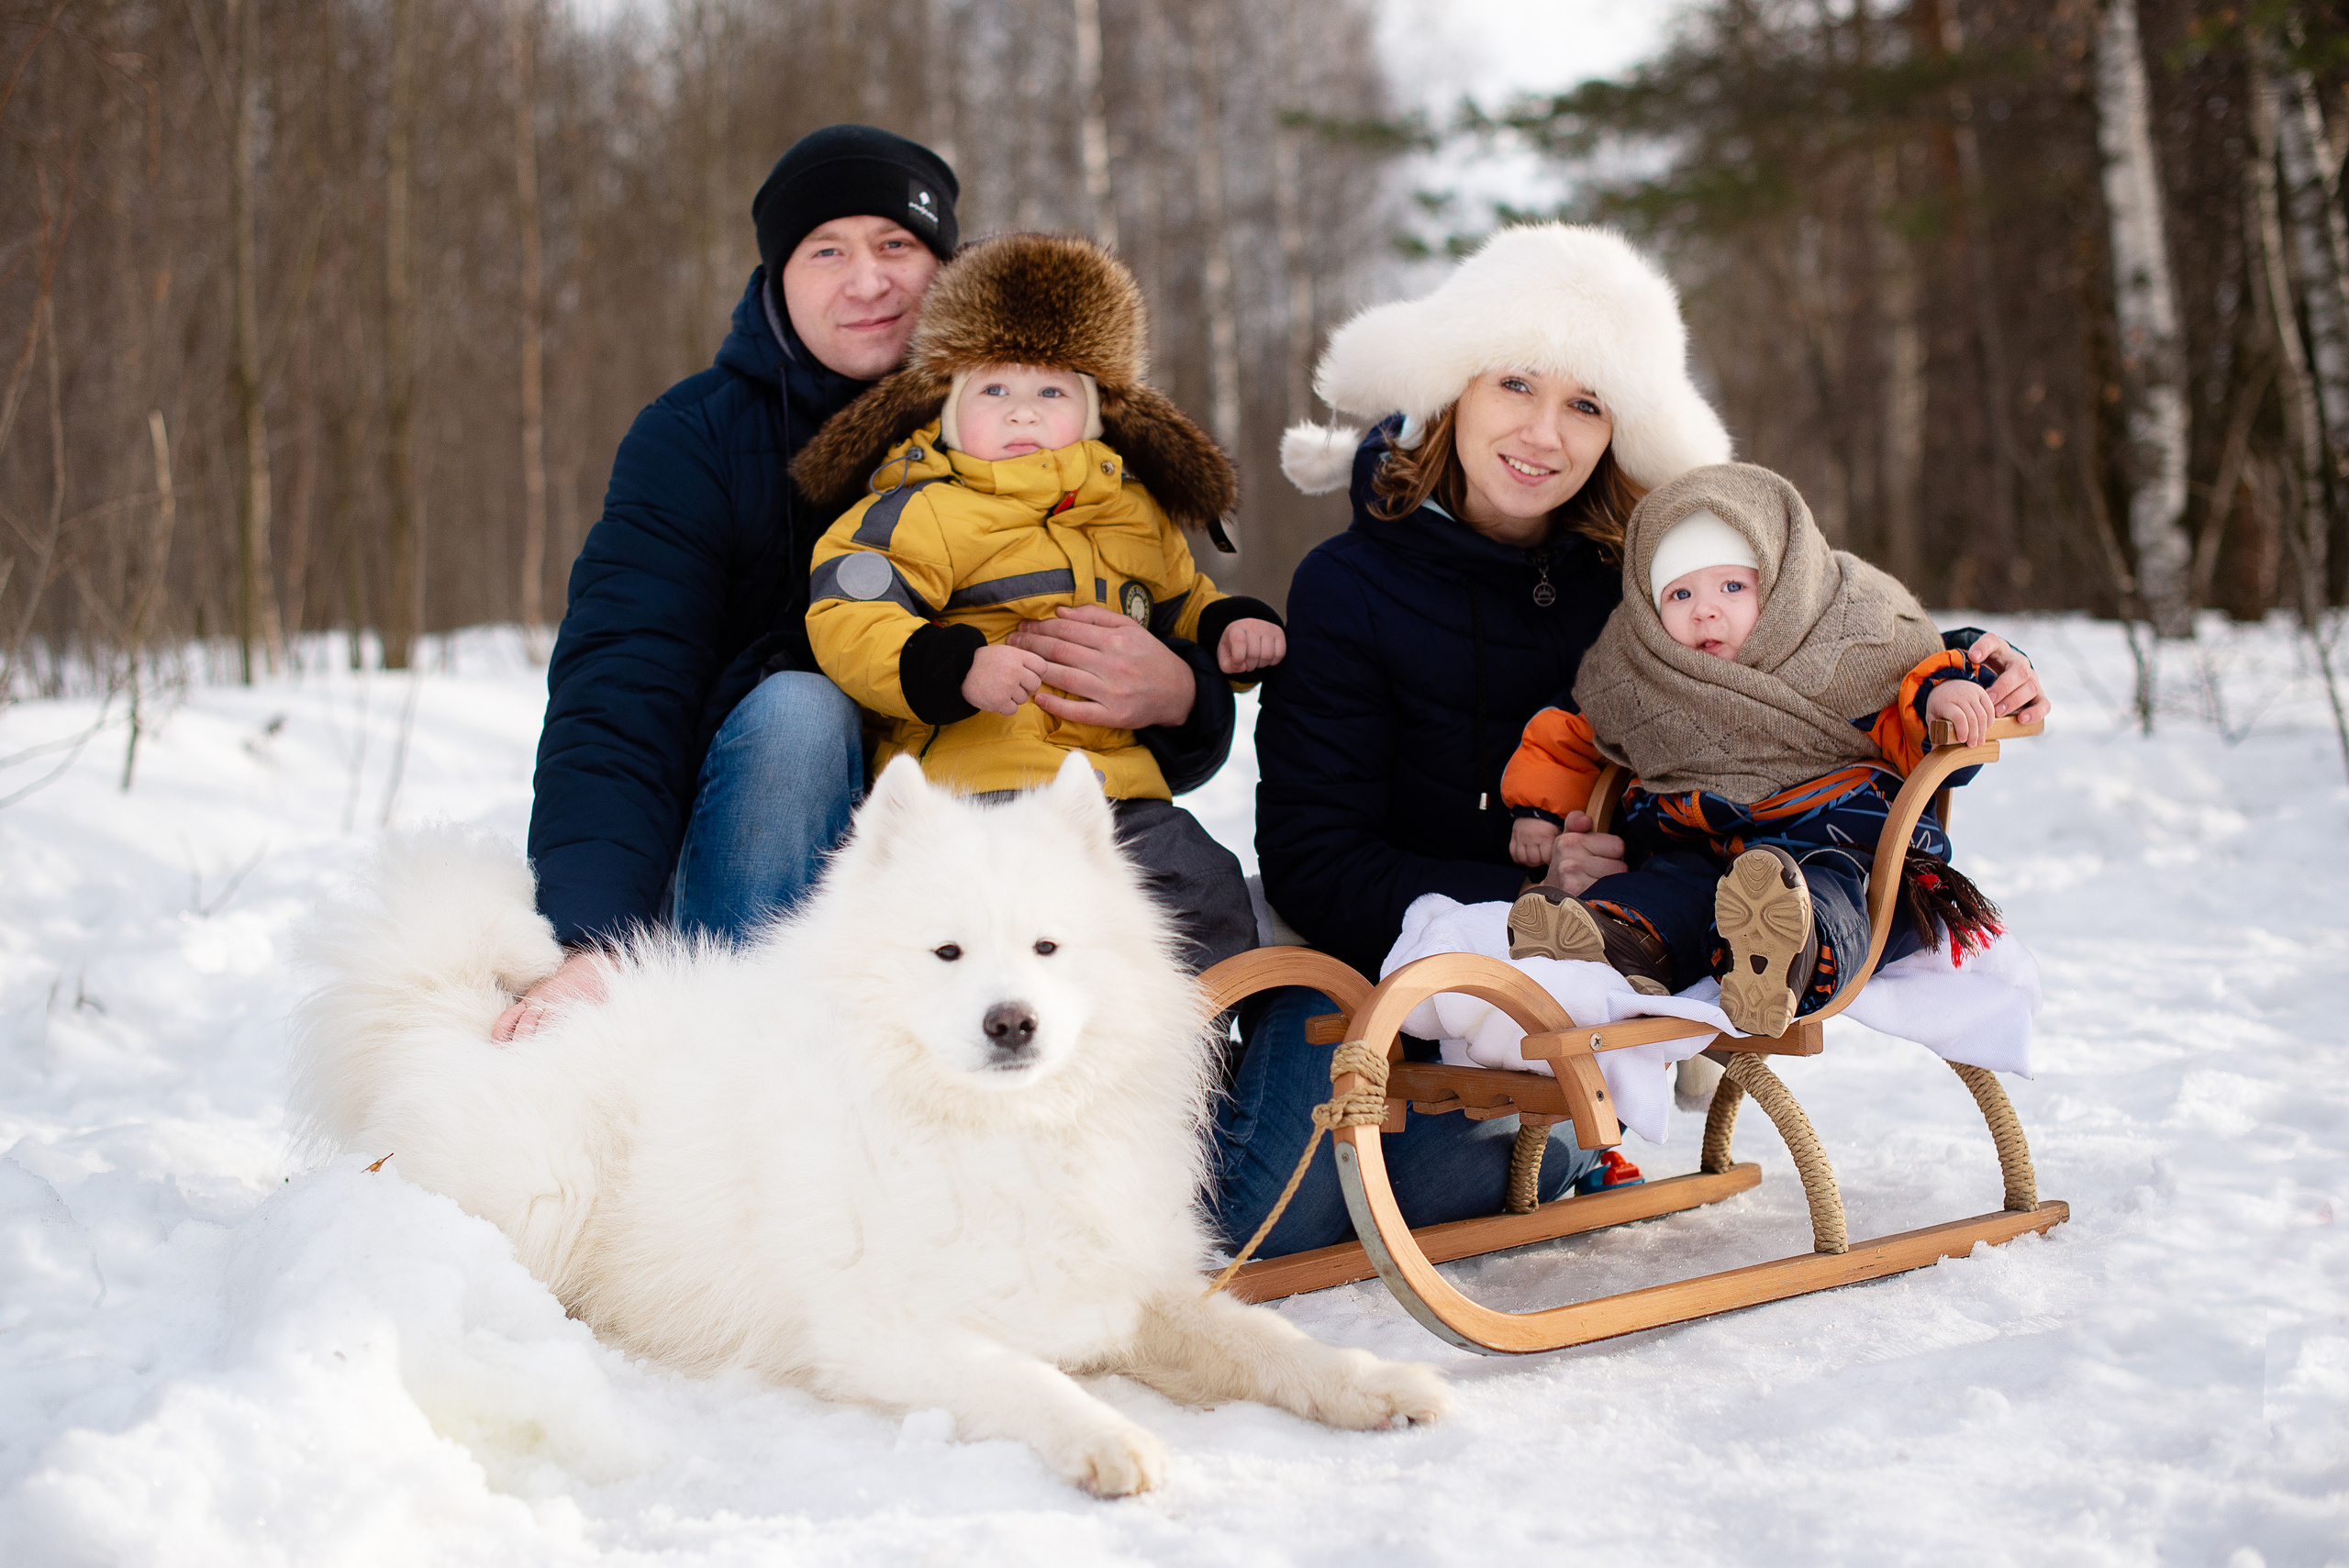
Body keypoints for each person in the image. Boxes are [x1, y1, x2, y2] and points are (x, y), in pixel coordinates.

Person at [1216, 222, 2052, 1256]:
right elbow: (1314, 860)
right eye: (1515, 382)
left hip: (1577, 959)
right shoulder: (1346, 585)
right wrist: (1529, 888)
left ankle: (1562, 1137)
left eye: (1586, 402)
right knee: (1263, 1211)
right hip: (1367, 948)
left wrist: (1971, 664)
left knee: (1429, 1172)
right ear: (1453, 388)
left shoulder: (1643, 584)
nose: (1544, 432)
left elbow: (1820, 631)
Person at [499, 128, 1241, 1040]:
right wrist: (590, 934)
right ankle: (748, 1039)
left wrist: (1183, 693)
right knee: (801, 709)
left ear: (945, 265)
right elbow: (622, 687)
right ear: (777, 272)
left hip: (974, 836)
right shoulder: (694, 438)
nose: (867, 281)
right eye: (827, 251)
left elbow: (1155, 599)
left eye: (895, 245)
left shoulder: (1044, 418)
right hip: (765, 839)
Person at [792, 232, 1286, 973]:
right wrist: (953, 666)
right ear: (947, 406)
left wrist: (1229, 625)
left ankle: (1202, 1043)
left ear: (1095, 413)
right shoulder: (921, 509)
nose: (1022, 412)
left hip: (1118, 798)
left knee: (1204, 891)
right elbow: (849, 611)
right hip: (980, 795)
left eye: (1051, 392)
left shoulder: (1133, 511)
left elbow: (1182, 598)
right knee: (1009, 927)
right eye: (994, 390)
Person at [1500, 464, 2007, 1039]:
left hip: (1839, 843)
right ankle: (1611, 939)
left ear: (1784, 584)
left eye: (1732, 587)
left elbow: (1912, 712)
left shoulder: (1857, 644)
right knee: (1660, 890)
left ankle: (1790, 953)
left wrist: (1944, 698)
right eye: (1680, 593)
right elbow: (1570, 730)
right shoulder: (1638, 667)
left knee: (1829, 894)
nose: (1704, 610)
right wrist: (1539, 806)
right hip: (1697, 844)